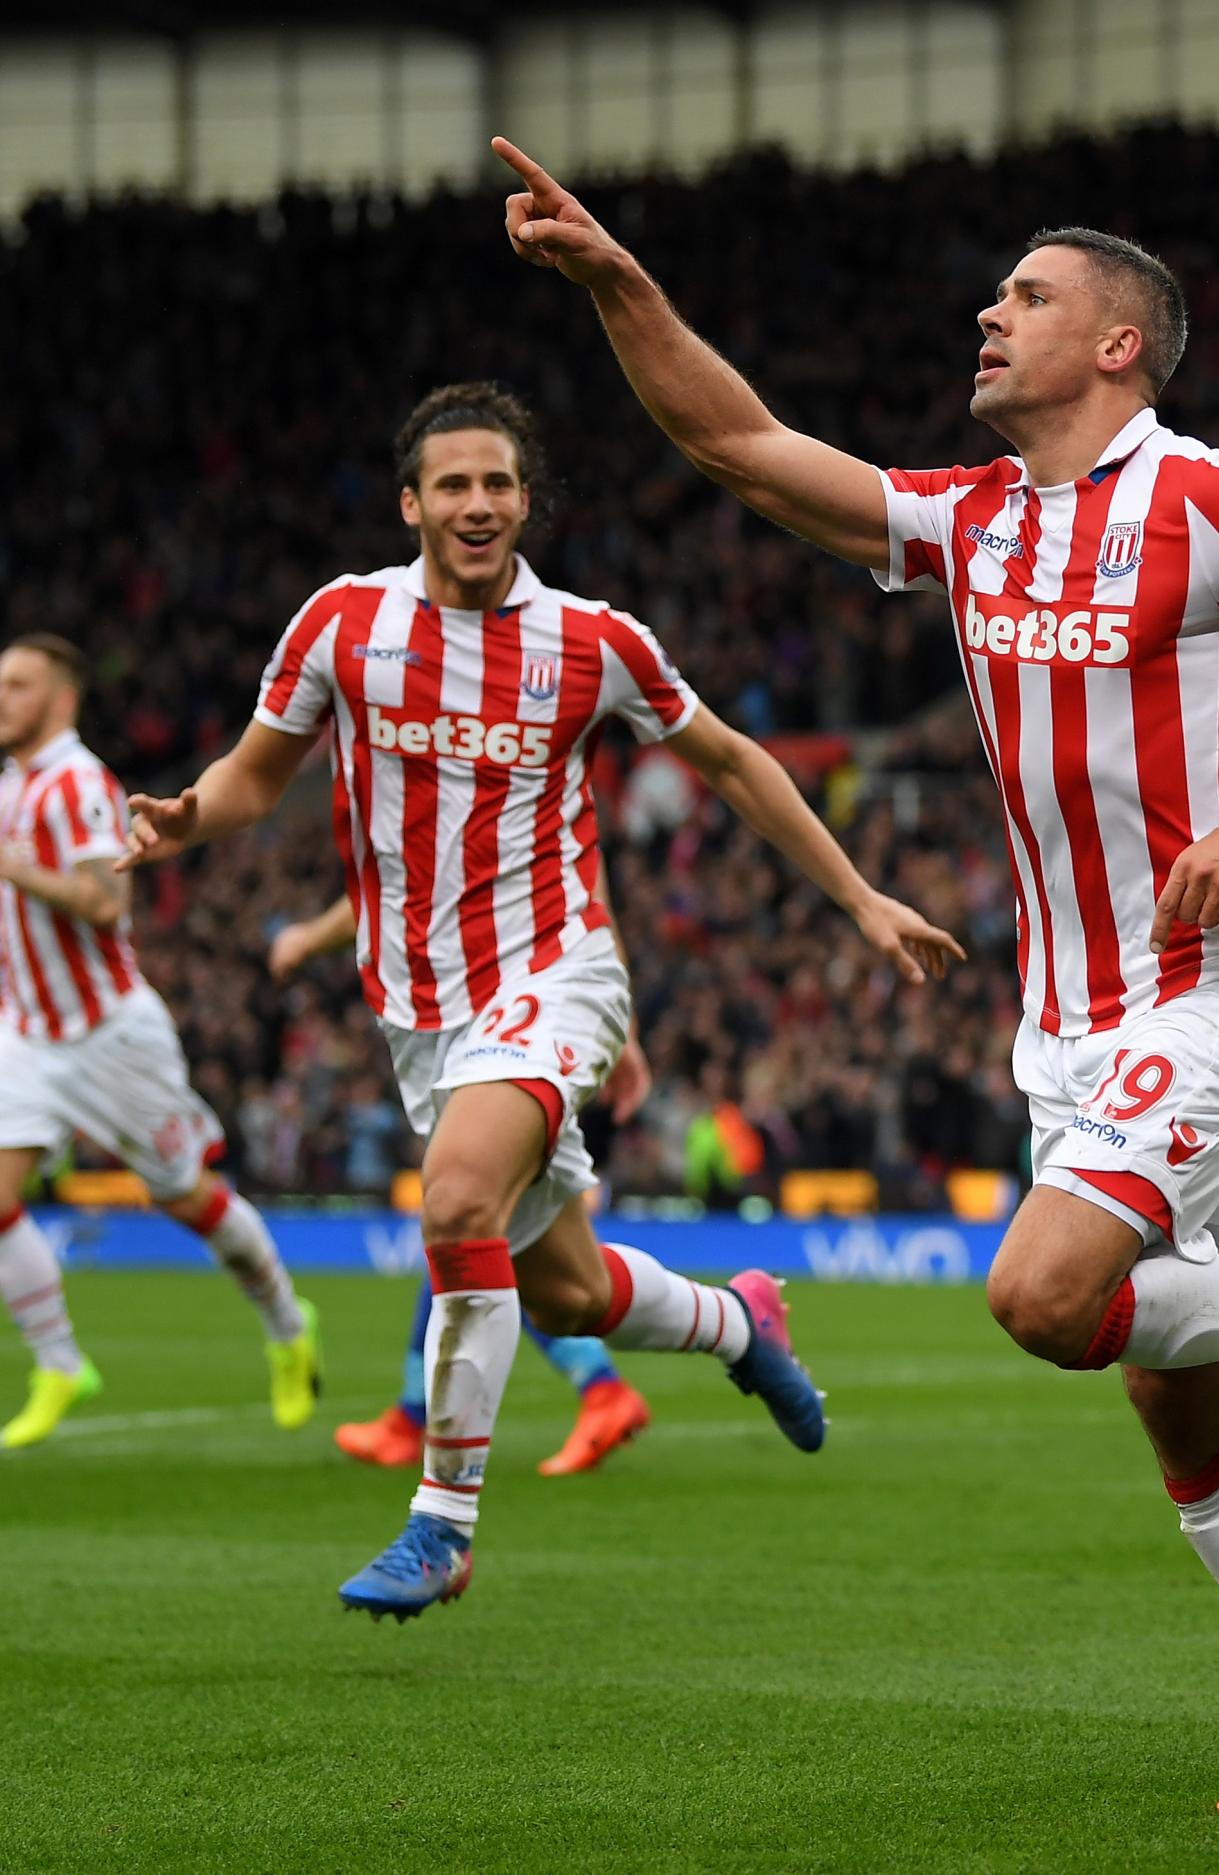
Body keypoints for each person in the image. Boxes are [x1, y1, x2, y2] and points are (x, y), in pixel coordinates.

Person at [495, 138, 1219, 1810]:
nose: (987, 312)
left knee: (1042, 1300)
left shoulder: (1209, 497)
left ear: (1117, 344)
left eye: (1027, 297)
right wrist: (619, 283)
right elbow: (736, 443)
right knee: (1178, 1412)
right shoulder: (967, 526)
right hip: (1070, 1027)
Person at [121, 381, 965, 1615]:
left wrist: (858, 898)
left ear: (528, 502)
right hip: (421, 1010)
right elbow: (254, 780)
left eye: (499, 483)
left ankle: (442, 1525)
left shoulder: (593, 642)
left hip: (558, 970)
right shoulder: (341, 626)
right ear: (411, 502)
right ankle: (743, 1328)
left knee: (456, 1198)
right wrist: (191, 817)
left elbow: (729, 761)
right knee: (567, 1289)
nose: (477, 504)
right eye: (453, 483)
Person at [0, 635, 321, 1450]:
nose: (2, 697)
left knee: (188, 1198)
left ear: (61, 697)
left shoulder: (78, 783)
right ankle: (62, 1364)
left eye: (17, 684)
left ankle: (289, 1325)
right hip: (29, 1029)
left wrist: (9, 864)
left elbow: (104, 905)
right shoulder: (11, 784)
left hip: (111, 1034)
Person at [270, 895, 656, 1475]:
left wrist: (307, 936)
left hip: (501, 1019)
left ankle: (607, 1384)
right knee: (465, 1224)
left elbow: (400, 878)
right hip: (512, 1010)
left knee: (492, 1235)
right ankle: (417, 1413)